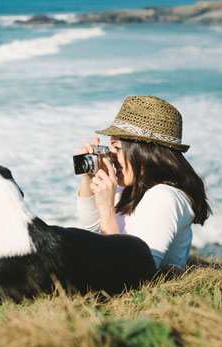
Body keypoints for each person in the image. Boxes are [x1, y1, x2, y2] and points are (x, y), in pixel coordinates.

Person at [76, 95, 211, 270]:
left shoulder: (164, 197)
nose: (112, 156)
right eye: (111, 148)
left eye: (117, 148)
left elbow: (132, 272)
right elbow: (91, 224)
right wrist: (88, 177)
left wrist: (106, 208)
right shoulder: (135, 188)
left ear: (147, 152)